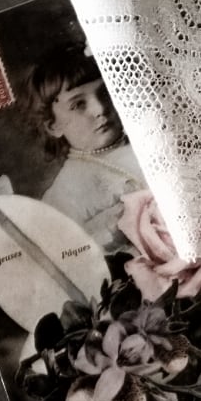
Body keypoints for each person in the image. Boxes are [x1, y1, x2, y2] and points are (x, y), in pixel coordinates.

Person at [23, 42, 146, 250]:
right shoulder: (64, 194)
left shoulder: (147, 140)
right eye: (78, 104)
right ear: (53, 125)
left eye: (104, 93)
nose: (99, 109)